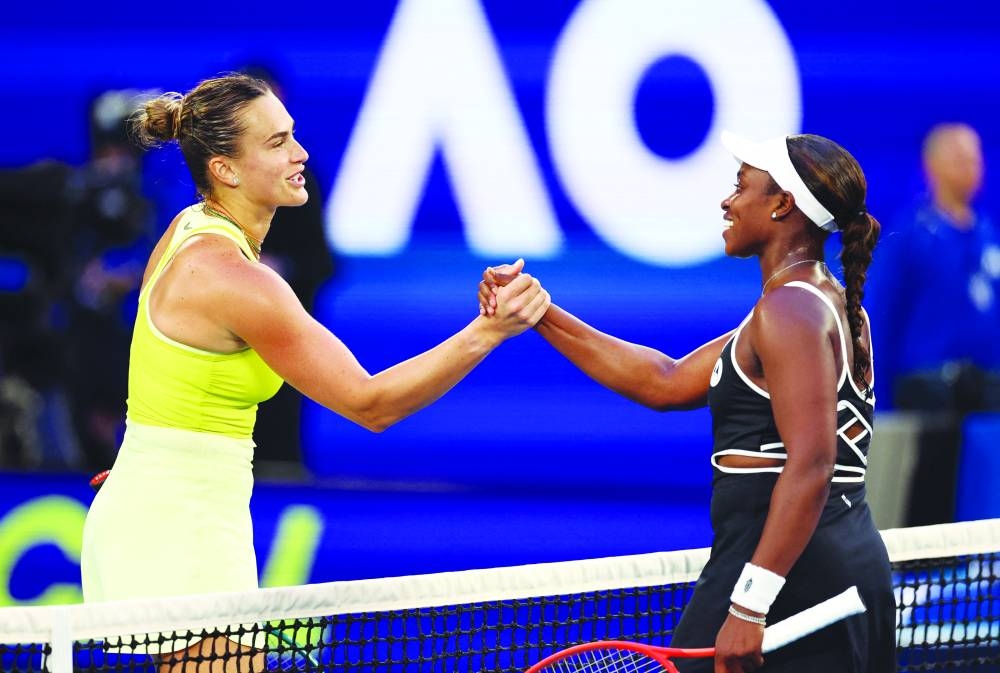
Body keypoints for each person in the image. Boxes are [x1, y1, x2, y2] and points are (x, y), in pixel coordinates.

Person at [79, 73, 549, 670]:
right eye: (276, 143)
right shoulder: (238, 280)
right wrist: (488, 331)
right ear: (225, 168)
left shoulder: (187, 230)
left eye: (292, 135)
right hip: (176, 527)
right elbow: (370, 403)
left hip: (167, 509)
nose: (300, 153)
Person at [480, 132, 895, 672]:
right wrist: (538, 312)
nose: (728, 201)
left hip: (790, 576)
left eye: (741, 187)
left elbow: (813, 463)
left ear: (782, 206)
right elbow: (665, 380)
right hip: (828, 564)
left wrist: (749, 604)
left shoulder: (790, 313)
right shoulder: (818, 305)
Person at [868, 123, 1000, 526]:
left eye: (976, 158)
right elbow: (882, 315)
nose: (972, 167)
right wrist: (879, 397)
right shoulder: (910, 235)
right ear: (932, 166)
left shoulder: (986, 234)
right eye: (960, 157)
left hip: (983, 386)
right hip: (925, 388)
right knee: (929, 482)